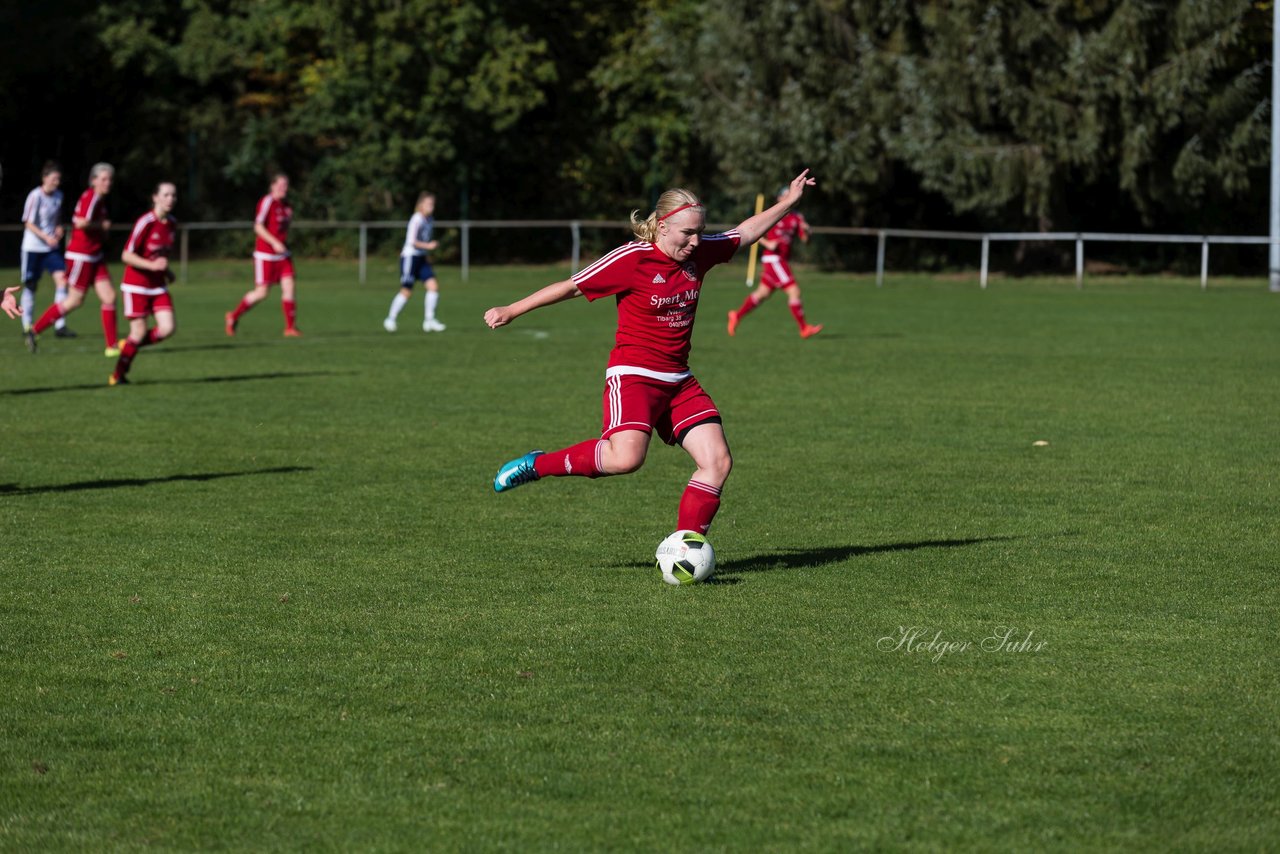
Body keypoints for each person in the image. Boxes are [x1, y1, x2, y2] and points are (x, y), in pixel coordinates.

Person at [484, 169, 817, 538]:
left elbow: (745, 232)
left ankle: (685, 549)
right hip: (634, 376)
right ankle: (537, 464)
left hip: (679, 380)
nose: (695, 241)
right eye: (687, 233)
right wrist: (512, 310)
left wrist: (788, 202)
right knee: (626, 458)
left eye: (700, 232)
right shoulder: (632, 259)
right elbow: (571, 287)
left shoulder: (701, 252)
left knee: (718, 462)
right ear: (661, 227)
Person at [26, 163, 120, 356]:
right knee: (74, 300)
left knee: (109, 297)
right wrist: (101, 225)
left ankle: (112, 346)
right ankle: (34, 331)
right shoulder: (92, 197)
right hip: (81, 256)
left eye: (110, 179)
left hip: (95, 256)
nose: (107, 183)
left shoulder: (99, 199)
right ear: (93, 181)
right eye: (103, 179)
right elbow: (81, 223)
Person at [727, 187, 822, 338]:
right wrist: (768, 243)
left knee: (762, 294)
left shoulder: (797, 217)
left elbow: (805, 241)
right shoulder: (773, 214)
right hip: (774, 258)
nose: (789, 197)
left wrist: (808, 231)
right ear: (778, 199)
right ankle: (804, 328)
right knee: (794, 291)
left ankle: (736, 315)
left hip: (781, 259)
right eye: (785, 195)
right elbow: (753, 231)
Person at [110, 182, 178, 386]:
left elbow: (160, 257)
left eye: (173, 195)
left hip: (157, 286)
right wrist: (151, 265)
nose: (170, 199)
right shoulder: (145, 222)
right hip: (136, 285)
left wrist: (167, 272)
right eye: (165, 195)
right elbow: (126, 255)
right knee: (138, 332)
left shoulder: (172, 223)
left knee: (167, 328)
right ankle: (118, 375)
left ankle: (129, 345)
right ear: (155, 197)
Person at [225, 173, 300, 337]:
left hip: (282, 255)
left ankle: (290, 328)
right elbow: (258, 227)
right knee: (262, 293)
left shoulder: (286, 205)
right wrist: (274, 242)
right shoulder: (267, 202)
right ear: (272, 186)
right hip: (265, 255)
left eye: (286, 185)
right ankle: (233, 316)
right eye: (280, 185)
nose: (283, 189)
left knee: (289, 287)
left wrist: (282, 241)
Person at [19, 161, 73, 338]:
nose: (56, 182)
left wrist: (58, 228)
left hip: (50, 248)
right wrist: (45, 237)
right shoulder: (35, 196)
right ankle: (27, 325)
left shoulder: (58, 195)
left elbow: (56, 220)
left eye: (58, 179)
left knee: (62, 281)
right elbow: (28, 222)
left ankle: (60, 325)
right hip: (33, 247)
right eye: (53, 178)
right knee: (31, 285)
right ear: (44, 178)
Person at [383, 191, 444, 332]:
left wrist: (427, 250)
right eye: (429, 204)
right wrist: (428, 246)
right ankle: (390, 319)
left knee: (433, 287)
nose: (431, 207)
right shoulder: (416, 218)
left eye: (433, 204)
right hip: (410, 257)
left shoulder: (430, 220)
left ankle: (429, 320)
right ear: (421, 205)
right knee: (406, 291)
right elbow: (411, 241)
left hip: (421, 258)